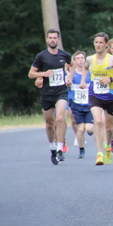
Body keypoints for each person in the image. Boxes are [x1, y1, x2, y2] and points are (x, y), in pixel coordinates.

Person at [79, 32, 113, 165]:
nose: (98, 45)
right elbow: (85, 68)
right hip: (94, 95)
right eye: (96, 42)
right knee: (98, 121)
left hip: (110, 96)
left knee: (109, 127)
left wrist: (110, 79)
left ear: (106, 45)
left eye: (101, 43)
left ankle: (107, 145)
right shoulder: (90, 59)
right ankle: (99, 153)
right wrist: (83, 81)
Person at [28, 29, 72, 165]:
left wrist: (69, 78)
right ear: (47, 40)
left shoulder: (65, 55)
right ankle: (52, 148)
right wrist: (44, 74)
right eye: (50, 38)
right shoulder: (41, 56)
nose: (52, 40)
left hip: (61, 92)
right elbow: (31, 74)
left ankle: (60, 148)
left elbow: (72, 66)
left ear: (58, 40)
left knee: (60, 118)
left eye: (55, 38)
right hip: (47, 94)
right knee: (49, 123)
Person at [69, 51, 94, 158]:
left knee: (89, 129)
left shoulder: (90, 73)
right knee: (81, 129)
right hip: (77, 104)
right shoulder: (72, 73)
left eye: (82, 58)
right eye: (77, 58)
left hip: (88, 104)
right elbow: (67, 83)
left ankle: (91, 129)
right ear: (74, 61)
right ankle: (81, 149)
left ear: (85, 60)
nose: (80, 60)